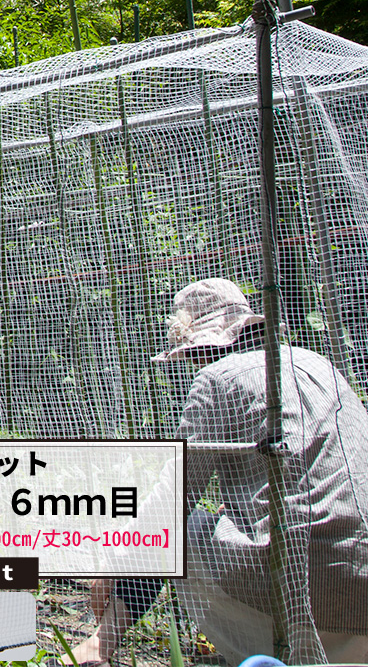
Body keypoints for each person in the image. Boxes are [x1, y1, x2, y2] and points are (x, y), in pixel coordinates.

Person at [60, 278, 368, 666]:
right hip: (362, 588)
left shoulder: (217, 378)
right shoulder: (319, 365)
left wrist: (114, 564)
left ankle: (98, 648)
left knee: (177, 531)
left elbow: (173, 500)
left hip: (301, 589)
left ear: (201, 346)